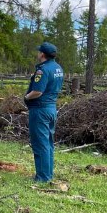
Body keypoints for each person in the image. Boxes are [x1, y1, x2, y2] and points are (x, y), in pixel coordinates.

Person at [24, 42, 64, 183]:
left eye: (39, 52)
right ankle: (48, 174)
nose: (38, 54)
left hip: (40, 109)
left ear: (42, 54)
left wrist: (27, 97)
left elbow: (38, 91)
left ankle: (42, 177)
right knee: (48, 142)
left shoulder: (43, 70)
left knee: (40, 143)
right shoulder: (58, 68)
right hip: (51, 108)